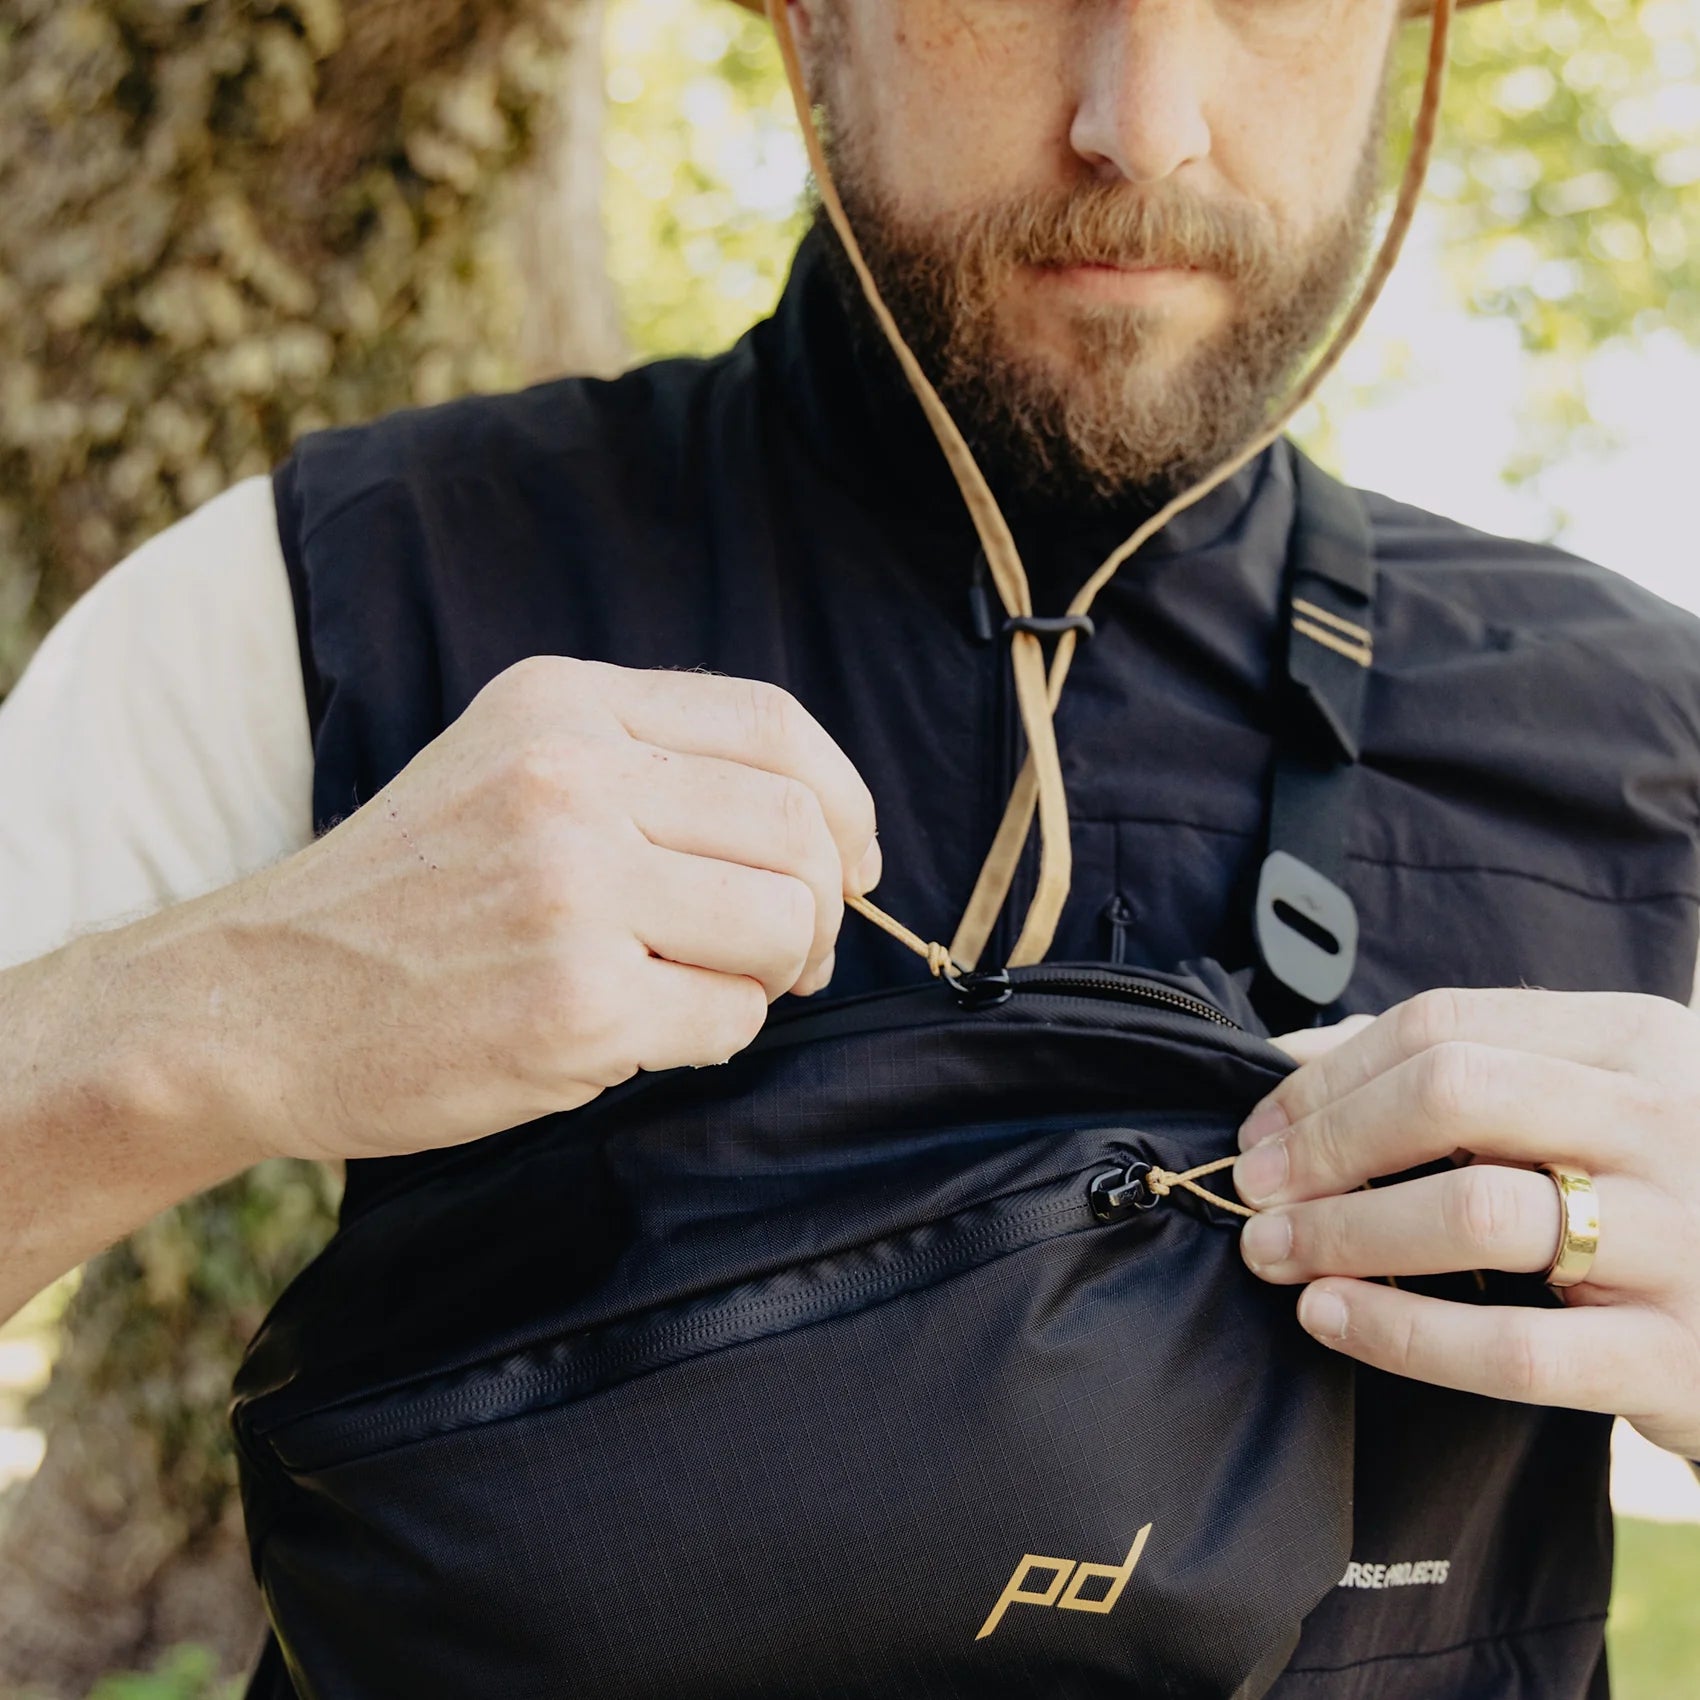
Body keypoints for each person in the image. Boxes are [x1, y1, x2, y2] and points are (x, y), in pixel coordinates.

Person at [2, 0, 1698, 1690]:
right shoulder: (322, 593)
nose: (1145, 120)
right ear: (798, 18)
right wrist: (214, 1016)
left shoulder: (1650, 733)